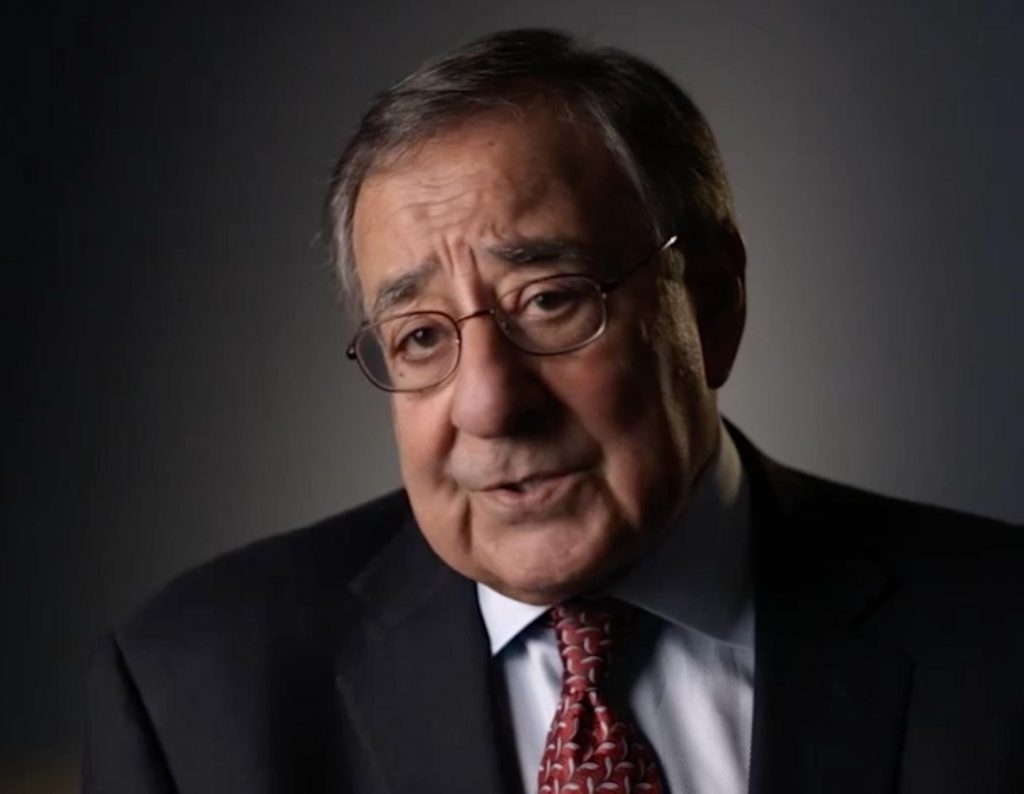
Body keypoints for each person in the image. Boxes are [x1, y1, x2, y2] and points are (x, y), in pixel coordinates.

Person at [83, 28, 1023, 794]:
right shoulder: (191, 689)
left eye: (549, 301)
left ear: (710, 302)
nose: (490, 403)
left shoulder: (999, 639)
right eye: (420, 337)